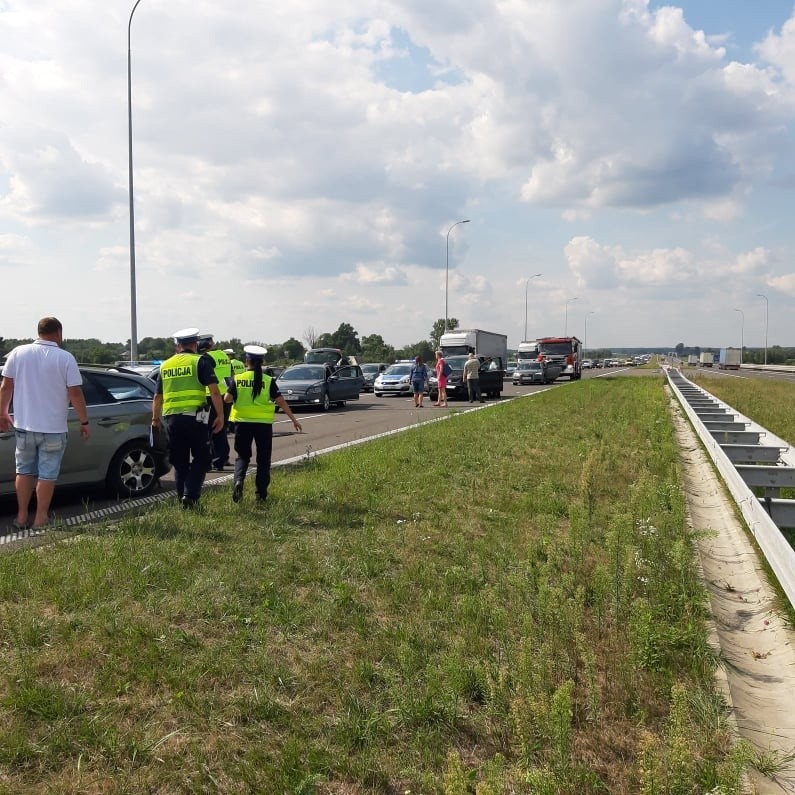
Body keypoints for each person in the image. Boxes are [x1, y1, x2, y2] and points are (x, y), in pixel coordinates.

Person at [0, 316, 91, 530]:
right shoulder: (65, 357)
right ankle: (41, 519)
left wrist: (3, 413)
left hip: (24, 427)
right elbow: (75, 393)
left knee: (24, 471)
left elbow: (6, 387)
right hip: (53, 429)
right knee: (47, 474)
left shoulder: (17, 353)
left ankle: (21, 516)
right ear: (59, 332)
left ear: (38, 332)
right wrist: (84, 421)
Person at [152, 328, 224, 509]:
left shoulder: (165, 365)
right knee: (203, 458)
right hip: (194, 419)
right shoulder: (200, 361)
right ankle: (190, 494)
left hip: (171, 421)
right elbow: (214, 391)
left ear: (178, 346)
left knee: (180, 462)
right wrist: (221, 415)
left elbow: (157, 397)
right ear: (195, 344)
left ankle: (183, 500)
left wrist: (155, 419)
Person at [224, 345, 302, 504]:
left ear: (247, 361)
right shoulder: (268, 380)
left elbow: (227, 399)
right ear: (262, 362)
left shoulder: (238, 379)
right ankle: (261, 494)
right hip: (263, 425)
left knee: (242, 456)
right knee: (263, 459)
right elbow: (280, 401)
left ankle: (239, 481)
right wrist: (294, 420)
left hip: (242, 424)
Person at [197, 333, 232, 470]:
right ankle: (222, 459)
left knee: (207, 430)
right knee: (220, 429)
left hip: (210, 396)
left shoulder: (206, 357)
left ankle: (213, 460)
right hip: (225, 396)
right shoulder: (223, 355)